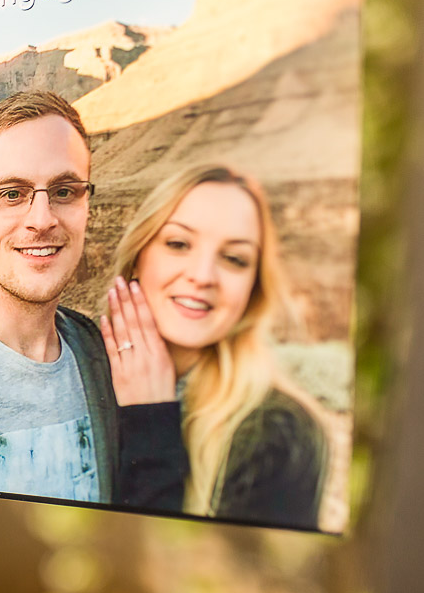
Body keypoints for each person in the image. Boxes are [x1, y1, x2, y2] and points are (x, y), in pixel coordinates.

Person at [100, 164, 327, 530]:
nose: (203, 275)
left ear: (252, 289)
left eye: (234, 259)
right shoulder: (79, 376)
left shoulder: (278, 432)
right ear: (138, 256)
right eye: (178, 244)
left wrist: (150, 419)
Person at [0, 90, 118, 500]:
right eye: (12, 194)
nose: (41, 220)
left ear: (87, 206)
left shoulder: (103, 359)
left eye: (64, 191)